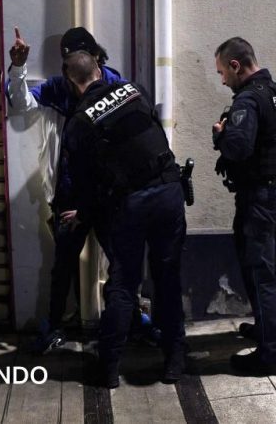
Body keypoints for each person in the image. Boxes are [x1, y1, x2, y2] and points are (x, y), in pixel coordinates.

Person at [60, 51, 187, 388]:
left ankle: (109, 369)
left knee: (124, 283)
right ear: (99, 71)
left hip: (131, 203)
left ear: (71, 82)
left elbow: (85, 183)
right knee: (167, 278)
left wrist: (84, 214)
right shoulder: (134, 90)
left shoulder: (78, 122)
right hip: (168, 191)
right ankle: (174, 362)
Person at [7, 27, 128, 352]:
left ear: (96, 59)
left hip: (106, 194)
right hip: (69, 193)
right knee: (63, 265)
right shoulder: (59, 88)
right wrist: (18, 68)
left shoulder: (116, 87)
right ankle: (55, 325)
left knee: (120, 261)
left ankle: (125, 321)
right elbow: (20, 105)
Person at [212, 37, 276, 377]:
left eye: (222, 72)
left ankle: (271, 355)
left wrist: (220, 135)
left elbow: (237, 148)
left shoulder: (248, 100)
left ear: (236, 65)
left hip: (261, 198)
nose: (223, 80)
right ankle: (267, 330)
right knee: (270, 269)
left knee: (261, 274)